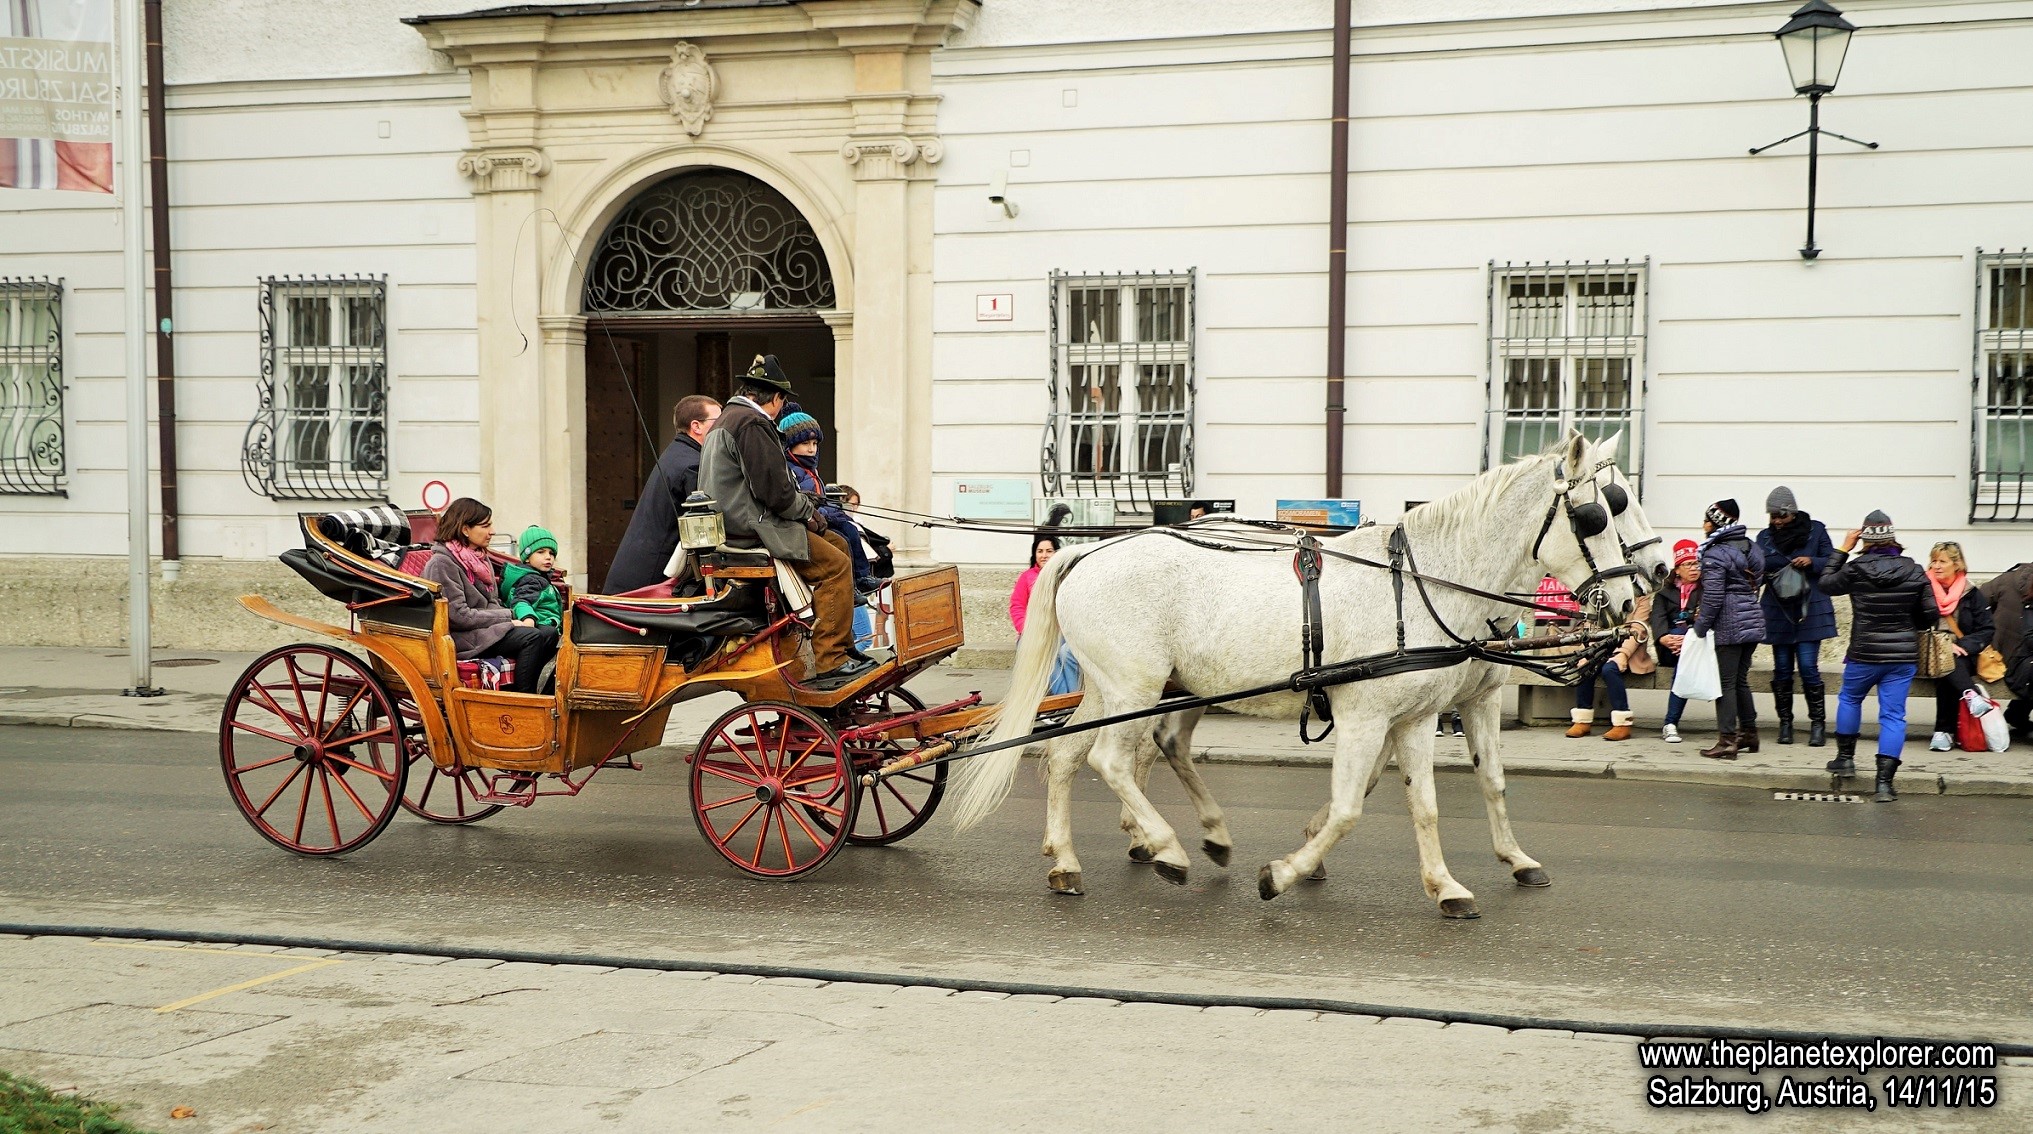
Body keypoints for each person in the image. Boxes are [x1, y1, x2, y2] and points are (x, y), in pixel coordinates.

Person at [697, 355, 871, 689]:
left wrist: (809, 512)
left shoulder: (730, 418)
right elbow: (776, 492)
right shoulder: (751, 423)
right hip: (753, 530)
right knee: (835, 566)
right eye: (781, 401)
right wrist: (808, 513)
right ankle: (831, 660)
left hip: (743, 524)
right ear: (776, 398)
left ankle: (844, 646)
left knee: (839, 544)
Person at [1819, 510, 1935, 802]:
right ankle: (1884, 784)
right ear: (1893, 537)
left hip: (1864, 652)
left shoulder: (1855, 569)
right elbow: (1931, 614)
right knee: (1893, 716)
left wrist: (1842, 549)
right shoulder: (1914, 570)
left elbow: (1825, 584)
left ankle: (1845, 760)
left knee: (1850, 699)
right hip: (1902, 657)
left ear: (1865, 539)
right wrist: (1909, 625)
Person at [421, 497, 559, 695]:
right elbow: (458, 616)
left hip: (486, 627)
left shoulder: (479, 558)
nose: (492, 531)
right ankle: (524, 698)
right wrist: (509, 618)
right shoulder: (442, 563)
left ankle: (542, 694)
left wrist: (513, 618)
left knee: (549, 633)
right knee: (531, 637)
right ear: (465, 529)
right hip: (464, 637)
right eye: (485, 526)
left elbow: (493, 601)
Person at [604, 394, 722, 594]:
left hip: (637, 570)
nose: (722, 427)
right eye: (718, 421)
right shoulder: (691, 464)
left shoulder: (678, 452)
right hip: (650, 578)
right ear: (696, 426)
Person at [1755, 486, 1837, 747]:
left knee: (1808, 667)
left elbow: (1833, 561)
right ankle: (1785, 724)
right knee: (1781, 669)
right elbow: (1757, 569)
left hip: (1810, 607)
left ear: (1793, 512)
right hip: (1778, 609)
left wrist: (1811, 561)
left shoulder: (1816, 530)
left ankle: (1817, 725)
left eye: (1781, 515)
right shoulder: (1764, 537)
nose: (1777, 521)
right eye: (1773, 516)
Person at [777, 407, 880, 595]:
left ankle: (862, 578)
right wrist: (830, 514)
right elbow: (804, 503)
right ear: (789, 446)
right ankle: (851, 587)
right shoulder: (790, 470)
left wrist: (836, 512)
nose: (811, 449)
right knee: (842, 540)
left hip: (822, 519)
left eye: (815, 443)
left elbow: (821, 500)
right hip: (809, 524)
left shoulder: (811, 470)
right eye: (805, 443)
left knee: (851, 530)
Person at [1693, 500, 1765, 761]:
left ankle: (1727, 741)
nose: (1703, 524)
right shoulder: (1753, 547)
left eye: (1706, 520)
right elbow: (1757, 582)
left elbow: (1713, 597)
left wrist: (1700, 627)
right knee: (1740, 680)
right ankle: (1749, 733)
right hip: (1752, 619)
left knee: (1725, 684)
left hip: (1729, 623)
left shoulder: (1715, 553)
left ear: (1715, 523)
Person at [1923, 542, 1996, 752]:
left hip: (1964, 652)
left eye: (1942, 561)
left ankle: (1943, 732)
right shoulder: (1923, 590)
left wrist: (1962, 645)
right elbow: (1913, 624)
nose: (1936, 566)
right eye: (1934, 561)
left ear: (1957, 564)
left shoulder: (1971, 593)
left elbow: (1986, 629)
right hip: (1928, 651)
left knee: (1950, 665)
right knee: (1947, 662)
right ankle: (1971, 696)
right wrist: (1943, 646)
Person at [1567, 593, 1653, 742]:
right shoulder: (1603, 594)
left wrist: (1623, 653)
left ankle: (1622, 723)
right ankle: (1582, 720)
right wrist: (1588, 652)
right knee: (1586, 667)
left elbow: (1638, 630)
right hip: (1601, 647)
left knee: (1609, 670)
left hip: (1629, 650)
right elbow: (1591, 627)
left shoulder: (1640, 598)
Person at [1010, 534, 1080, 696]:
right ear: (1035, 554)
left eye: (1049, 551)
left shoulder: (1065, 577)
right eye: (1040, 551)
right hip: (1033, 632)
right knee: (1046, 655)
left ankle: (1074, 697)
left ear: (1056, 553)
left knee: (1065, 653)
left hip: (1061, 632)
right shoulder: (1026, 577)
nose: (1044, 555)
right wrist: (1027, 630)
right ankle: (1063, 699)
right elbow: (1017, 606)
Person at [1650, 539, 1703, 743]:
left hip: (1697, 646)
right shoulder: (1665, 592)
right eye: (1688, 564)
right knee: (1682, 658)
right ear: (1678, 569)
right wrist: (1663, 637)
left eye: (1697, 563)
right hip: (1669, 647)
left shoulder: (1707, 589)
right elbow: (1658, 619)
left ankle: (1670, 723)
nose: (1694, 568)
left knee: (1684, 664)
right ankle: (1670, 724)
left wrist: (1688, 640)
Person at [1979, 559, 2033, 739]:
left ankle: (2017, 714)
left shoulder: (2009, 578)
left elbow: (1979, 600)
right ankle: (2017, 714)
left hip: (1998, 653)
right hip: (2016, 661)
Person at [500, 525, 564, 630]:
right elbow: (521, 601)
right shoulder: (532, 579)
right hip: (540, 626)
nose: (548, 557)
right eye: (541, 552)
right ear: (527, 558)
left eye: (551, 553)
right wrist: (528, 619)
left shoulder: (540, 577)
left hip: (546, 623)